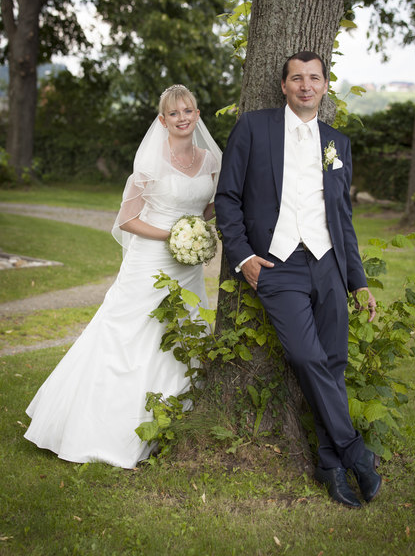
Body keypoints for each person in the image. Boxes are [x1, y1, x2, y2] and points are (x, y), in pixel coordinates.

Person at [215, 51, 381, 508]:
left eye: (314, 78)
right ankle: (356, 454)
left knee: (334, 362)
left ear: (325, 86)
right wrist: (243, 255)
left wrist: (357, 280)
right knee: (308, 358)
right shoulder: (254, 127)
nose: (305, 86)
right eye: (296, 78)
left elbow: (342, 218)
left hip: (327, 263)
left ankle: (331, 465)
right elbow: (227, 198)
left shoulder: (337, 143)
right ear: (284, 86)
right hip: (276, 264)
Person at [24, 85, 222, 469]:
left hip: (189, 265)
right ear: (162, 121)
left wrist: (196, 233)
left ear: (197, 115)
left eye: (188, 111)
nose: (182, 118)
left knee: (183, 330)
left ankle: (171, 425)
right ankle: (101, 431)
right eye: (173, 113)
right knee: (129, 335)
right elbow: (128, 220)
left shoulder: (211, 158)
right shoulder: (149, 162)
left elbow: (209, 206)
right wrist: (174, 234)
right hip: (150, 261)